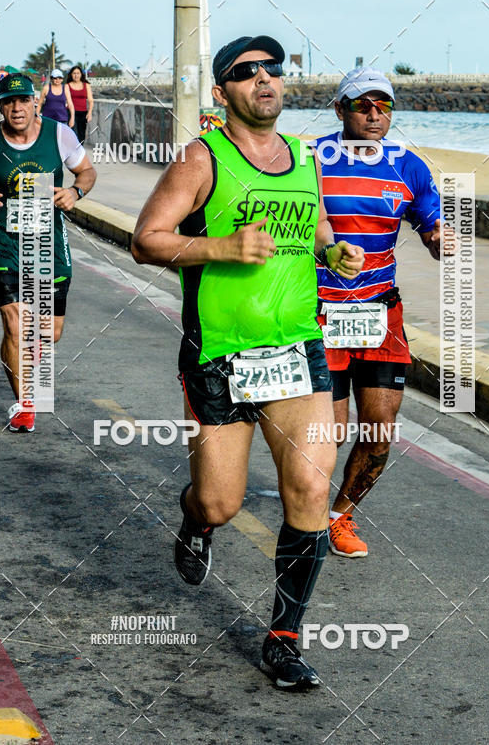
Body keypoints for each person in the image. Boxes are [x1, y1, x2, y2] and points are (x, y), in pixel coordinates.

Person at [132, 35, 364, 690]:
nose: (264, 80)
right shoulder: (202, 160)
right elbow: (145, 241)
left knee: (312, 489)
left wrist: (332, 251)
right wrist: (223, 246)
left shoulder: (302, 156)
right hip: (221, 358)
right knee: (221, 501)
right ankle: (194, 517)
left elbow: (311, 226)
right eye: (245, 72)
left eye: (273, 70)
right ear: (222, 91)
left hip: (297, 349)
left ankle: (284, 640)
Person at [315, 67, 452, 558]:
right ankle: (306, 513)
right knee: (324, 435)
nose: (375, 114)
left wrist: (439, 240)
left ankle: (338, 517)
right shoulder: (313, 160)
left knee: (378, 435)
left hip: (380, 314)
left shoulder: (408, 165)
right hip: (320, 314)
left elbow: (431, 224)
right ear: (340, 109)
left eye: (384, 106)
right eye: (362, 105)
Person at [0, 73, 96, 431]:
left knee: (49, 332)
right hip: (5, 242)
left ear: (35, 101)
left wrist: (76, 192)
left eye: (23, 101)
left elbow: (86, 172)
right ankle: (25, 404)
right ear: (0, 105)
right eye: (9, 102)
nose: (17, 108)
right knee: (16, 323)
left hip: (49, 242)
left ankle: (31, 367)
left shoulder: (59, 134)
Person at [65, 65, 93, 143]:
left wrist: (90, 113)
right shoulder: (67, 86)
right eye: (74, 73)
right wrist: (72, 118)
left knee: (81, 136)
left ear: (81, 74)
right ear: (71, 74)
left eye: (78, 73)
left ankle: (79, 152)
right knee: (73, 134)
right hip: (71, 112)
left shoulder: (86, 85)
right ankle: (74, 153)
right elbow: (69, 102)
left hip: (83, 113)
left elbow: (90, 100)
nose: (76, 75)